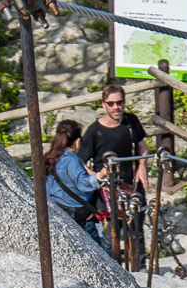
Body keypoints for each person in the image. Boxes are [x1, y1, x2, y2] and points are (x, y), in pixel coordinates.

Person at [80, 83, 148, 260]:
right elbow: (80, 160)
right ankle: (113, 271)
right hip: (107, 190)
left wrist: (141, 167)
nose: (116, 107)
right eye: (111, 103)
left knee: (137, 232)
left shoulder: (131, 121)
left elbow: (143, 148)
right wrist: (96, 179)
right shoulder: (95, 131)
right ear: (103, 104)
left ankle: (140, 270)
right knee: (111, 235)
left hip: (132, 185)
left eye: (119, 102)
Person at [44, 119, 106, 248]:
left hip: (57, 210)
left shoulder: (50, 157)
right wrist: (101, 176)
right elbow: (83, 184)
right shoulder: (70, 160)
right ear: (77, 142)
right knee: (98, 255)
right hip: (78, 216)